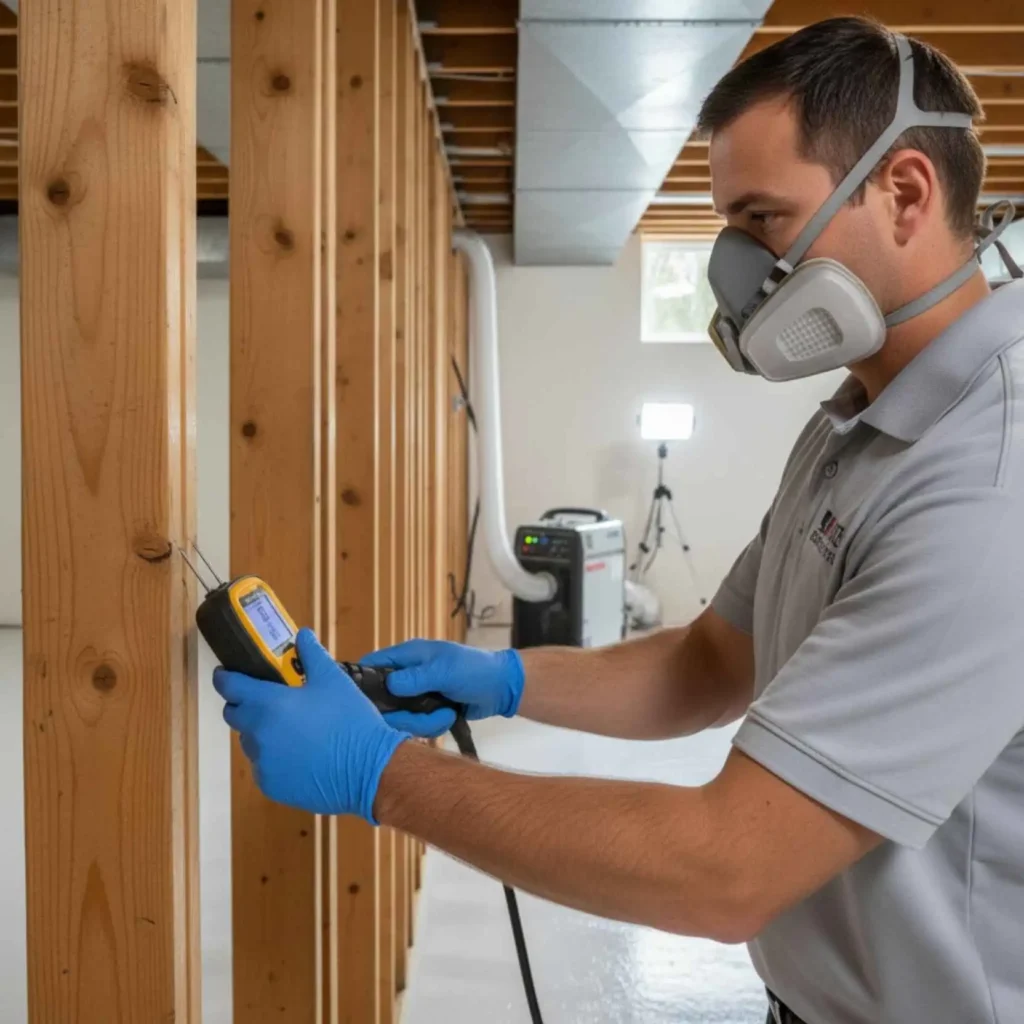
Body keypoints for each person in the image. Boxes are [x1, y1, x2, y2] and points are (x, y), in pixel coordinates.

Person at [213, 17, 1024, 1024]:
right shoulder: (854, 425)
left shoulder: (990, 474)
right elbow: (710, 661)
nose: (739, 270)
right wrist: (506, 678)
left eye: (764, 220)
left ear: (904, 193)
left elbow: (727, 866)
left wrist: (383, 778)